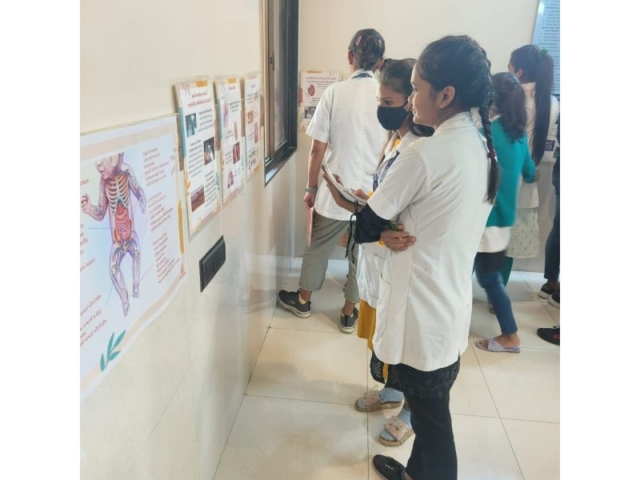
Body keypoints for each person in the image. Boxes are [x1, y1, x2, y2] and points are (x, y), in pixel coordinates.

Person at [323, 34, 497, 480]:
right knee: (432, 413)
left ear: (446, 95)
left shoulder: (425, 154)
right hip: (446, 304)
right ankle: (414, 473)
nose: (412, 100)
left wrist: (366, 216)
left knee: (435, 426)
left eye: (417, 89)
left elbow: (366, 225)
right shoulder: (478, 146)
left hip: (421, 312)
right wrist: (386, 222)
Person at [327, 58, 433, 447]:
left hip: (404, 258)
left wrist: (379, 221)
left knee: (403, 340)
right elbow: (390, 198)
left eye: (389, 102)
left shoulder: (420, 149)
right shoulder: (394, 140)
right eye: (379, 101)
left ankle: (408, 413)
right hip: (380, 255)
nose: (382, 109)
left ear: (410, 101)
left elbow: (415, 212)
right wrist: (367, 199)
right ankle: (390, 392)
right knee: (383, 333)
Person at [277, 29, 387, 333]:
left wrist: (310, 188)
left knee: (318, 248)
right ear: (380, 62)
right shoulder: (387, 96)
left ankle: (303, 301)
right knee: (360, 253)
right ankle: (349, 313)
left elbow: (317, 149)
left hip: (335, 189)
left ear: (350, 56)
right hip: (371, 195)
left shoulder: (334, 93)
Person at [475, 73, 536, 354]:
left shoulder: (487, 134)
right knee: (489, 277)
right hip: (503, 220)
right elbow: (530, 172)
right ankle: (509, 334)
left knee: (487, 279)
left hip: (484, 219)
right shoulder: (518, 135)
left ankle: (510, 335)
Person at [501, 45, 559, 286]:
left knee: (481, 238)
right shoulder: (552, 102)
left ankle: (464, 291)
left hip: (501, 178)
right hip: (526, 179)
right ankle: (498, 294)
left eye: (510, 70)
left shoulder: (513, 97)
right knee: (509, 244)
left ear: (520, 72)